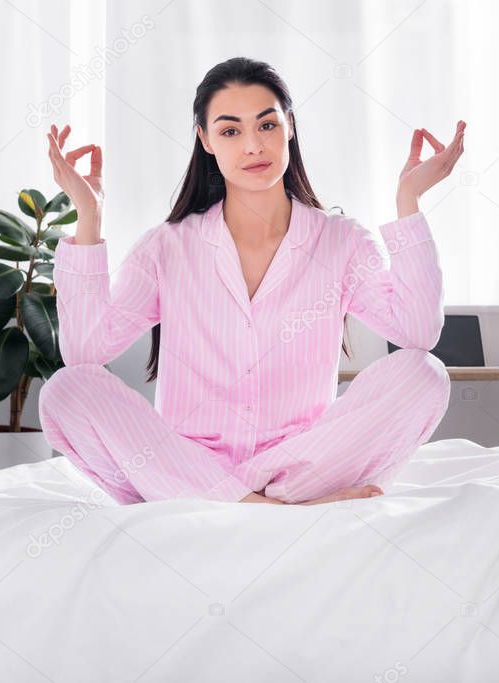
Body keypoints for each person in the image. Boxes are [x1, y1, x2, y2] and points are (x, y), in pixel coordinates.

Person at [38, 57, 466, 506]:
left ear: (290, 127)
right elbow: (85, 353)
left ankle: (258, 503)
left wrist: (408, 200)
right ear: (205, 140)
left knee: (424, 374)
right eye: (230, 131)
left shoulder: (341, 241)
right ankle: (271, 511)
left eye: (266, 125)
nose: (253, 146)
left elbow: (418, 333)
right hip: (190, 465)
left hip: (298, 466)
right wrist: (89, 216)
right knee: (68, 390)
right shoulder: (166, 246)